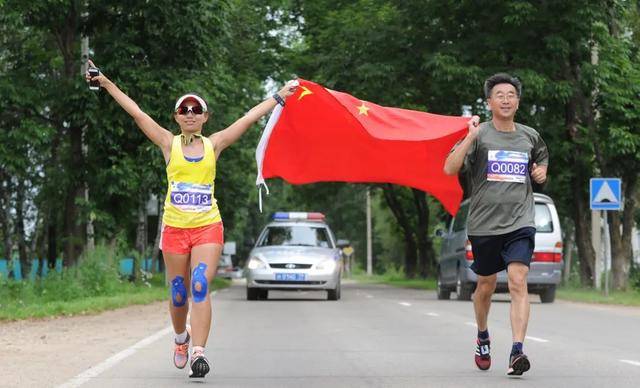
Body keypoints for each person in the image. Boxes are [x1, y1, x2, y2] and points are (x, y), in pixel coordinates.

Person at [86, 60, 298, 378]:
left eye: (195, 109)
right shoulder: (167, 143)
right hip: (175, 229)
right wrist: (105, 83)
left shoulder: (215, 144)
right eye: (184, 110)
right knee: (178, 291)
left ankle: (199, 352)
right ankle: (181, 339)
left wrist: (279, 97)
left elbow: (249, 118)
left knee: (199, 284)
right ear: (176, 117)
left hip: (207, 227)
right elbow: (137, 113)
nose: (189, 114)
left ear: (205, 117)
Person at [443, 73, 549, 376]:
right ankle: (482, 334)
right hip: (484, 225)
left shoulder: (530, 136)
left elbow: (541, 159)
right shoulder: (480, 135)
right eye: (499, 95)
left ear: (518, 101)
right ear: (489, 102)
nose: (506, 99)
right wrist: (470, 138)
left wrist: (540, 171)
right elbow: (449, 168)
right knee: (486, 286)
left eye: (511, 94)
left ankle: (517, 351)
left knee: (518, 280)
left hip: (520, 222)